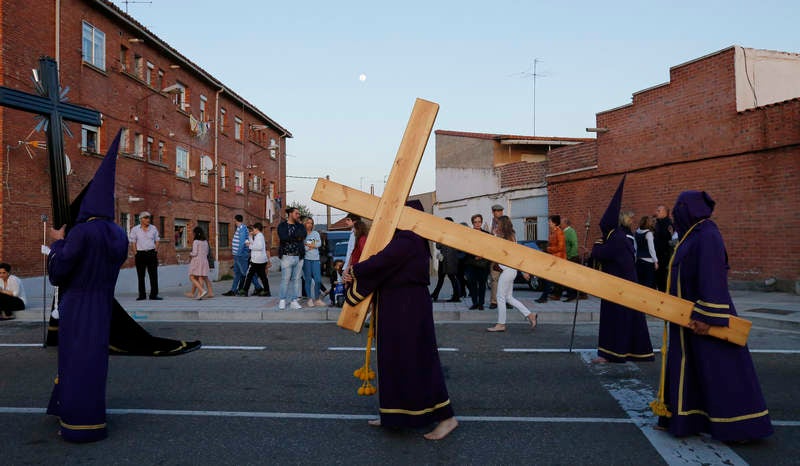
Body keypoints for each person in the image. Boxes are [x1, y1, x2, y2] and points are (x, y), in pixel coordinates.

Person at [655, 190, 772, 443]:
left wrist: (708, 316)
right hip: (686, 316)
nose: (675, 214)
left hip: (704, 317)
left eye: (679, 208)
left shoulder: (707, 234)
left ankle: (740, 427)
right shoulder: (693, 235)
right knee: (695, 371)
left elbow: (712, 276)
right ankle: (688, 419)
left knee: (719, 373)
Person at [343, 200, 458, 440]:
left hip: (410, 308)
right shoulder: (402, 238)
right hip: (395, 307)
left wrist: (355, 272)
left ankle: (447, 418)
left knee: (420, 361)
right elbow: (383, 266)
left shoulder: (409, 239)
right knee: (393, 361)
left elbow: (382, 262)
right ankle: (392, 415)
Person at [46, 134, 129, 442]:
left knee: (75, 360)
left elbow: (60, 270)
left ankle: (77, 423)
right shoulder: (119, 235)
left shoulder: (81, 232)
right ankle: (88, 415)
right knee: (94, 362)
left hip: (78, 304)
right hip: (102, 304)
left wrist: (57, 241)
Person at [590, 177, 654, 364]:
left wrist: (596, 244)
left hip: (620, 287)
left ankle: (612, 354)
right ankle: (629, 352)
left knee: (617, 320)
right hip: (620, 283)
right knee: (626, 320)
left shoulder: (615, 238)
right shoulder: (616, 235)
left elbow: (599, 253)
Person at [486, 216, 537, 332]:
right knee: (508, 297)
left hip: (508, 270)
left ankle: (501, 324)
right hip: (510, 270)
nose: (496, 226)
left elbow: (513, 255)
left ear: (502, 225)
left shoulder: (507, 238)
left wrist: (524, 271)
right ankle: (530, 315)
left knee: (500, 297)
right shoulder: (510, 237)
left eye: (498, 224)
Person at [277, 207, 306, 310]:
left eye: (299, 214)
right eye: (296, 213)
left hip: (299, 257)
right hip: (286, 256)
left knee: (297, 280)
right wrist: (296, 237)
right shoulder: (282, 226)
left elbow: (303, 236)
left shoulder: (301, 226)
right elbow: (283, 237)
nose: (298, 215)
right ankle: (282, 300)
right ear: (290, 214)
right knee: (285, 279)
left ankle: (294, 301)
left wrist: (292, 236)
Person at [129, 211, 161, 300]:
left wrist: (155, 251)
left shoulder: (153, 228)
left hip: (151, 253)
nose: (148, 219)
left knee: (153, 275)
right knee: (141, 275)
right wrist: (136, 253)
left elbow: (157, 240)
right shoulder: (135, 229)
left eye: (149, 218)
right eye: (146, 218)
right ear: (141, 219)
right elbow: (133, 242)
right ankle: (142, 295)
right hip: (140, 254)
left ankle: (154, 295)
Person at [429, 217, 462, 302]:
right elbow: (438, 246)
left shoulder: (454, 234)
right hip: (443, 260)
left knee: (452, 278)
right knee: (442, 278)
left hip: (450, 260)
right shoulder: (443, 233)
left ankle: (456, 296)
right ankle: (436, 294)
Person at [535, 215, 566, 303]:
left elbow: (560, 247)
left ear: (554, 223)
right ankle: (546, 296)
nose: (548, 223)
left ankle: (544, 297)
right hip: (553, 258)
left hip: (558, 259)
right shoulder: (553, 232)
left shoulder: (559, 232)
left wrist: (548, 249)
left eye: (550, 222)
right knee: (550, 278)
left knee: (548, 278)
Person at [465, 214, 491, 310]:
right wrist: (473, 256)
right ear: (472, 223)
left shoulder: (487, 234)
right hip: (471, 263)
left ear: (481, 222)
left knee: (482, 285)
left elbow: (489, 248)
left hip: (483, 264)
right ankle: (475, 303)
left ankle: (481, 304)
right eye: (475, 222)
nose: (477, 224)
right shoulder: (468, 233)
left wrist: (482, 256)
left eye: (479, 222)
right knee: (472, 284)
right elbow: (465, 247)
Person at [223, 214, 251, 296]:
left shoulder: (242, 228)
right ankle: (234, 290)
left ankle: (257, 287)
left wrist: (238, 253)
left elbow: (242, 242)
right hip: (237, 255)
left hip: (240, 255)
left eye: (234, 220)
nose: (234, 222)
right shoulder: (240, 228)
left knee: (245, 273)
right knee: (238, 273)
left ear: (236, 220)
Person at [241, 223, 271, 297]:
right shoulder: (258, 236)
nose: (252, 230)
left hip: (257, 260)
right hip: (259, 260)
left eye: (253, 229)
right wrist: (250, 237)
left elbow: (259, 247)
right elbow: (254, 244)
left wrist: (249, 246)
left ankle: (245, 291)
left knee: (250, 275)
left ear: (257, 229)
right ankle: (267, 291)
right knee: (262, 276)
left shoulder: (260, 236)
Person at [302, 217, 326, 307]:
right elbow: (303, 248)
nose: (310, 225)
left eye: (311, 223)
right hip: (306, 259)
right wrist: (311, 245)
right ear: (304, 223)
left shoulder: (315, 233)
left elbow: (319, 244)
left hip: (316, 259)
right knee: (307, 280)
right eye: (308, 223)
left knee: (318, 280)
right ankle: (309, 299)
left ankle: (317, 299)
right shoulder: (302, 234)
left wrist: (307, 244)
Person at [653, 205, 674, 292]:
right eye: (657, 210)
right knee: (658, 280)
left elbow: (670, 239)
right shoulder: (657, 223)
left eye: (659, 211)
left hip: (665, 256)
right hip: (657, 256)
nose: (656, 212)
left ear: (665, 213)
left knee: (664, 280)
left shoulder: (669, 224)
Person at [487, 204, 504, 309]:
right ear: (493, 212)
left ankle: (506, 300)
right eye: (498, 211)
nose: (500, 213)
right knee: (494, 279)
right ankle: (494, 301)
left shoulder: (506, 223)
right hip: (494, 255)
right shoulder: (489, 224)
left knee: (505, 279)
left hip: (504, 255)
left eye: (501, 211)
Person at [634, 216, 658, 289]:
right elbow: (651, 249)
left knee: (641, 283)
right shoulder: (648, 233)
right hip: (648, 262)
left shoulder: (636, 232)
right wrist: (656, 261)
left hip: (639, 260)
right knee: (649, 284)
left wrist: (635, 258)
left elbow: (635, 247)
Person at [186, 227, 210, 299]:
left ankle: (202, 291)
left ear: (195, 233)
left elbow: (195, 253)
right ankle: (199, 294)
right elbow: (207, 252)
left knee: (192, 277)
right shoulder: (205, 241)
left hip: (197, 261)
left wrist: (190, 254)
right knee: (200, 277)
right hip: (204, 261)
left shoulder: (196, 241)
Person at [562, 218, 580, 302]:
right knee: (566, 277)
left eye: (562, 222)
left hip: (571, 258)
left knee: (570, 278)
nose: (560, 224)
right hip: (566, 257)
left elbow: (574, 244)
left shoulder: (571, 231)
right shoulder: (564, 232)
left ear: (566, 223)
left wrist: (571, 256)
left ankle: (572, 295)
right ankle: (570, 293)